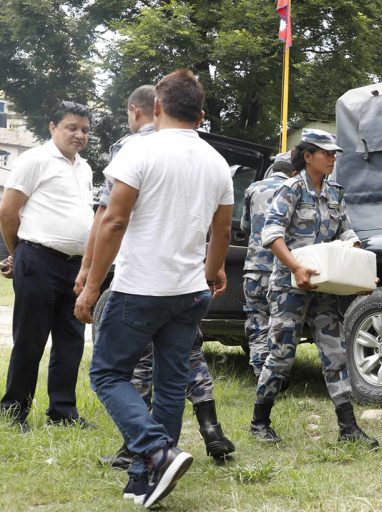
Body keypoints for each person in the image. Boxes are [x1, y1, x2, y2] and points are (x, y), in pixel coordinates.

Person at [74, 69, 233, 508]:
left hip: (141, 287)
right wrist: (214, 270)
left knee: (107, 373)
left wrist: (90, 286)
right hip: (189, 291)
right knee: (170, 382)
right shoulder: (217, 162)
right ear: (200, 115)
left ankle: (156, 450)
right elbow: (222, 231)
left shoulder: (138, 151)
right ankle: (148, 477)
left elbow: (114, 219)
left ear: (158, 106)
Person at [249, 128, 378, 448]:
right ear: (308, 156)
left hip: (324, 284)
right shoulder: (291, 190)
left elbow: (347, 233)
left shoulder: (335, 193)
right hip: (288, 285)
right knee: (281, 354)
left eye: (335, 154)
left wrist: (358, 271)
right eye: (326, 153)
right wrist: (295, 267)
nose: (333, 158)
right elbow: (272, 235)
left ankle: (349, 427)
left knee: (335, 351)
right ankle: (259, 421)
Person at [0, 101, 95, 433]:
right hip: (37, 260)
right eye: (71, 127)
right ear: (53, 127)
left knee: (71, 340)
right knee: (30, 339)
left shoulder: (85, 168)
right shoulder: (33, 160)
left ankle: (62, 411)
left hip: (75, 267)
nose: (79, 134)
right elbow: (8, 212)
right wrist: (20, 253)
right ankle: (14, 412)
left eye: (84, 129)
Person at [241, 151, 298, 383]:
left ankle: (259, 374)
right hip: (282, 269)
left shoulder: (253, 189)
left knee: (257, 322)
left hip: (254, 269)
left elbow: (245, 225)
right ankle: (276, 376)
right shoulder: (296, 190)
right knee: (280, 323)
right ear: (293, 171)